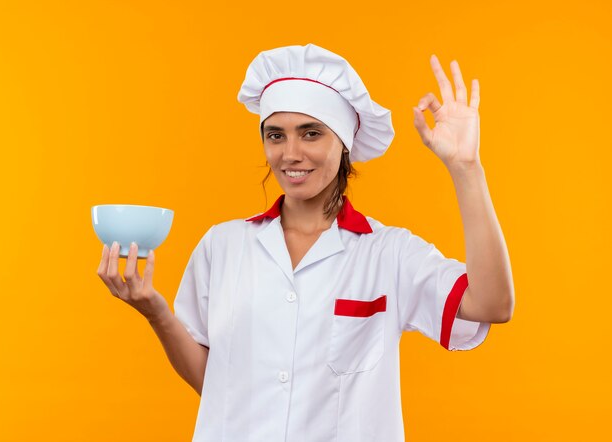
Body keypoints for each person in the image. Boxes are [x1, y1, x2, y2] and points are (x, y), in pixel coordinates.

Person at [97, 43, 514, 442]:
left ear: (345, 143)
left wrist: (466, 168)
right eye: (275, 135)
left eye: (311, 133)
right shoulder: (222, 246)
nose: (290, 153)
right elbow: (216, 385)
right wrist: (155, 311)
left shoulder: (388, 253)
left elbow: (492, 304)